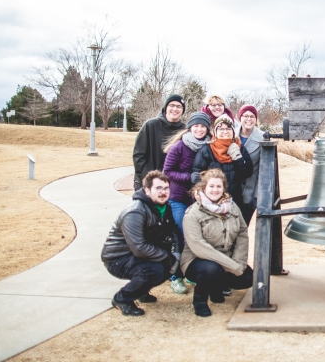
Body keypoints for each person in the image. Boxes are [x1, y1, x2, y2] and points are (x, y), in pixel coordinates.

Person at [101, 171, 180, 316]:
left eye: (166, 188)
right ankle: (122, 299)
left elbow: (172, 230)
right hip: (118, 258)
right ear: (147, 190)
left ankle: (141, 291)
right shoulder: (135, 212)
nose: (163, 192)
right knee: (156, 270)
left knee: (169, 265)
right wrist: (169, 258)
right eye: (158, 188)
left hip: (138, 254)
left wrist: (176, 253)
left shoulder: (164, 206)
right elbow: (139, 248)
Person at [181, 169, 253, 317]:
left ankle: (216, 288)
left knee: (248, 278)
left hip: (225, 258)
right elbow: (198, 246)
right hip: (197, 261)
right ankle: (200, 301)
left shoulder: (232, 207)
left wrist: (239, 262)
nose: (215, 190)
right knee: (212, 270)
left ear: (224, 188)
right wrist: (232, 266)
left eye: (218, 187)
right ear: (203, 188)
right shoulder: (193, 213)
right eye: (211, 186)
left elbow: (242, 233)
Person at [162, 111, 212, 295]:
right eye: (196, 126)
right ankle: (175, 277)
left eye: (202, 126)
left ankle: (190, 271)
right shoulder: (179, 147)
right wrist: (188, 177)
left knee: (197, 238)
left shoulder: (209, 146)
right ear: (190, 127)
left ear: (207, 128)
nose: (199, 129)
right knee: (181, 236)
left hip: (199, 200)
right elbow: (167, 171)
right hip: (179, 199)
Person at [192, 115, 253, 207]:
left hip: (234, 200)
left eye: (228, 128)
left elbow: (247, 173)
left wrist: (238, 158)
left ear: (233, 131)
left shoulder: (239, 147)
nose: (225, 132)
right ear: (215, 132)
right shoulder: (207, 150)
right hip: (212, 200)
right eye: (220, 129)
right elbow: (196, 175)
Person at [132, 95, 186, 190]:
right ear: (165, 107)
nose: (175, 109)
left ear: (182, 110)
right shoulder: (150, 125)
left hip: (172, 186)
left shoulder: (185, 130)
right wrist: (148, 179)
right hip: (147, 183)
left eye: (179, 106)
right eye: (172, 105)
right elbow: (139, 155)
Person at [236, 105, 265, 225]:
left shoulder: (263, 138)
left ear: (256, 119)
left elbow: (263, 170)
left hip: (249, 192)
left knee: (242, 228)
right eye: (245, 116)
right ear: (240, 118)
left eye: (252, 116)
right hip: (232, 190)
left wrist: (257, 195)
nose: (249, 119)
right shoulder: (230, 135)